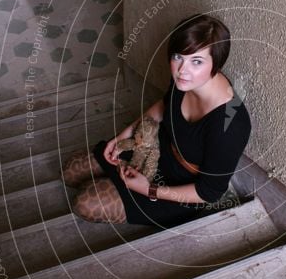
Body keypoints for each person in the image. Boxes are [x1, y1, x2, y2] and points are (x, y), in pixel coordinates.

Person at [62, 13, 251, 228]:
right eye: (178, 57)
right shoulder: (185, 81)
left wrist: (148, 189)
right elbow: (165, 105)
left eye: (196, 61)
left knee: (85, 203)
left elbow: (208, 193)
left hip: (178, 190)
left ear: (215, 63)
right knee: (70, 172)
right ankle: (114, 181)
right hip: (155, 150)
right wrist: (124, 135)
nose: (182, 70)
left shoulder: (231, 125)